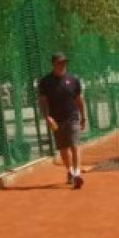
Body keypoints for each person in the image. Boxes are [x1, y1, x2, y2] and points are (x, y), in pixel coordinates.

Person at [37, 52, 86, 189]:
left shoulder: (73, 80)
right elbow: (43, 100)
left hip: (72, 117)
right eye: (59, 63)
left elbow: (79, 100)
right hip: (56, 120)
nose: (62, 65)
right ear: (53, 64)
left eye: (64, 62)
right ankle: (69, 170)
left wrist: (83, 117)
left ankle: (77, 174)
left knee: (75, 145)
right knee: (63, 149)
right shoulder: (45, 82)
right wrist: (47, 116)